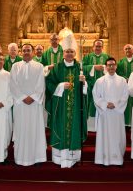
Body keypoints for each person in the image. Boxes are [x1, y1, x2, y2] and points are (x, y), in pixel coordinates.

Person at [46, 34, 87, 168]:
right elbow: (49, 83)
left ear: (75, 53)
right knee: (61, 127)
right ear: (63, 53)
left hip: (75, 106)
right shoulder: (57, 67)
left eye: (71, 51)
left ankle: (73, 158)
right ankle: (59, 158)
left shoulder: (79, 68)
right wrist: (60, 86)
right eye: (67, 51)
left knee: (74, 127)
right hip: (61, 106)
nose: (69, 54)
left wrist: (84, 83)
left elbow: (86, 89)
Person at [10, 44, 47, 166]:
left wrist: (33, 97)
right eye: (24, 50)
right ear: (21, 52)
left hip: (34, 105)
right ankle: (20, 158)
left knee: (35, 130)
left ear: (33, 52)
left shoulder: (39, 66)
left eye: (28, 50)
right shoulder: (15, 66)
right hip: (20, 105)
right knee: (20, 130)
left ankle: (36, 158)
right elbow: (13, 84)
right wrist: (22, 98)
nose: (26, 52)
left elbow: (40, 84)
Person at [93, 57, 129, 166]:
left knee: (117, 136)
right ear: (106, 67)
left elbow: (125, 95)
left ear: (116, 66)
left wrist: (116, 105)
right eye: (109, 65)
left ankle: (117, 159)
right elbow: (96, 96)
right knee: (104, 136)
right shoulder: (100, 81)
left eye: (113, 64)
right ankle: (103, 159)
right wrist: (105, 104)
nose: (111, 67)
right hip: (105, 114)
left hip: (117, 113)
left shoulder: (122, 80)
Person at [83, 39, 110, 131]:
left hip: (104, 85)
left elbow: (111, 67)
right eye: (96, 46)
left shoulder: (107, 57)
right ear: (93, 47)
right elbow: (83, 67)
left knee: (103, 101)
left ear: (102, 47)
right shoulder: (88, 57)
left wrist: (104, 68)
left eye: (99, 46)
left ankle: (103, 125)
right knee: (90, 104)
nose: (98, 48)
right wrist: (94, 67)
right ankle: (90, 126)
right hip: (91, 84)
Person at [116, 44, 133, 127]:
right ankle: (126, 123)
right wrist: (124, 78)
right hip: (125, 87)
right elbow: (118, 73)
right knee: (125, 104)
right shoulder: (121, 62)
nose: (127, 50)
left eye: (129, 48)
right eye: (126, 49)